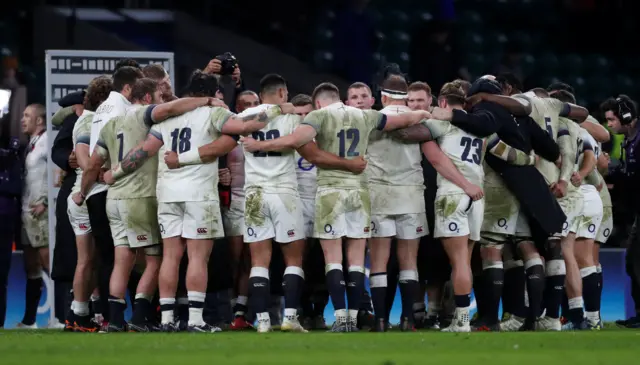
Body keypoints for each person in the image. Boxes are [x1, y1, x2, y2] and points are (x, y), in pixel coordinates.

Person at [239, 82, 431, 331]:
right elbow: (401, 121)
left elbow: (297, 140)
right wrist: (424, 113)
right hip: (359, 193)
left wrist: (260, 145)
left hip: (330, 192)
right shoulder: (365, 115)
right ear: (340, 98)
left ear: (318, 103)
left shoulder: (318, 116)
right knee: (355, 261)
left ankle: (341, 318)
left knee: (333, 260)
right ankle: (353, 318)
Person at [108, 71, 284, 332]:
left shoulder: (167, 117)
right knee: (197, 258)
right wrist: (278, 109)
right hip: (198, 195)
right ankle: (194, 319)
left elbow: (144, 151)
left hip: (167, 194)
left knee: (171, 256)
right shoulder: (213, 113)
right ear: (213, 94)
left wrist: (115, 172)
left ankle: (167, 319)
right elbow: (247, 127)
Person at [74, 78, 220, 332]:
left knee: (122, 260)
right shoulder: (145, 116)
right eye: (160, 97)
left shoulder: (110, 124)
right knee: (156, 260)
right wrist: (206, 100)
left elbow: (94, 163)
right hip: (139, 196)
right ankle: (141, 317)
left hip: (113, 198)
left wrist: (82, 192)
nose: (163, 101)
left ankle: (116, 320)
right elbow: (170, 111)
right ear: (148, 99)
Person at [85, 66, 144, 321]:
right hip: (114, 185)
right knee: (125, 254)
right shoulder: (124, 109)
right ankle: (129, 316)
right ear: (128, 87)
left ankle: (111, 317)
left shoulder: (102, 108)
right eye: (138, 87)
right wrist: (110, 170)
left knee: (108, 256)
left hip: (97, 188)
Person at [64, 77, 113, 332]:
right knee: (88, 260)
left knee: (91, 260)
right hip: (85, 196)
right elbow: (84, 159)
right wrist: (101, 170)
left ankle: (79, 313)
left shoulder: (91, 119)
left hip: (85, 193)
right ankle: (80, 314)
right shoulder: (89, 120)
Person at [601, 96, 640, 328]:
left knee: (636, 260)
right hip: (637, 210)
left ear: (626, 117)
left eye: (612, 119)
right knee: (632, 262)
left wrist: (613, 170)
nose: (609, 125)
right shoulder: (629, 141)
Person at [224, 90, 259, 331]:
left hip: (257, 200)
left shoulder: (269, 130)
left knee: (252, 259)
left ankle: (243, 311)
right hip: (234, 201)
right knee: (233, 259)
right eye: (245, 104)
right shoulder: (228, 132)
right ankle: (230, 307)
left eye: (255, 103)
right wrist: (219, 176)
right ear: (237, 106)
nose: (250, 107)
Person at [50, 90, 85, 329]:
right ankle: (67, 313)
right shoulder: (74, 119)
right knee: (69, 250)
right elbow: (58, 150)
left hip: (105, 186)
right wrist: (67, 160)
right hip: (74, 187)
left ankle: (103, 311)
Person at [16, 104, 48, 329]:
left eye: (27, 116)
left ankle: (60, 315)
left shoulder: (48, 140)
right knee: (31, 266)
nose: (22, 119)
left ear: (39, 121)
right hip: (26, 212)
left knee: (48, 264)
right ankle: (30, 321)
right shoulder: (31, 145)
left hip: (41, 213)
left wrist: (46, 202)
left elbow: (60, 170)